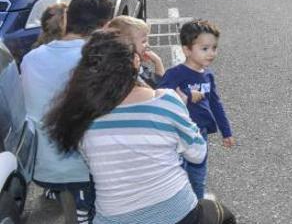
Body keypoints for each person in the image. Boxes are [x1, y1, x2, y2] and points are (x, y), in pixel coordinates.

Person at [43, 30, 237, 224]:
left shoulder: (82, 117)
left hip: (113, 218)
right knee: (221, 214)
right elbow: (197, 153)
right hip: (177, 214)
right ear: (136, 62)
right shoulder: (166, 101)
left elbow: (91, 160)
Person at [21, 0, 114, 223]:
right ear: (105, 25)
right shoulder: (99, 59)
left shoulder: (30, 59)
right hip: (85, 168)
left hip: (42, 168)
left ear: (69, 18)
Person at [159, 20, 234, 201]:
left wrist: (226, 131)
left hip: (200, 134)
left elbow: (216, 103)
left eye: (214, 48)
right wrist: (186, 94)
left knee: (198, 177)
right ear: (187, 50)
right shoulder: (175, 74)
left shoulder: (207, 74)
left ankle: (198, 209)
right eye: (205, 48)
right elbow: (159, 97)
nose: (211, 53)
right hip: (177, 135)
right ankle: (180, 209)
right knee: (178, 176)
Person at [106, 15, 166, 88]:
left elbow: (159, 81)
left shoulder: (140, 68)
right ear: (128, 46)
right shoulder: (133, 77)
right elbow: (163, 89)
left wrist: (157, 61)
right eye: (143, 41)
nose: (148, 45)